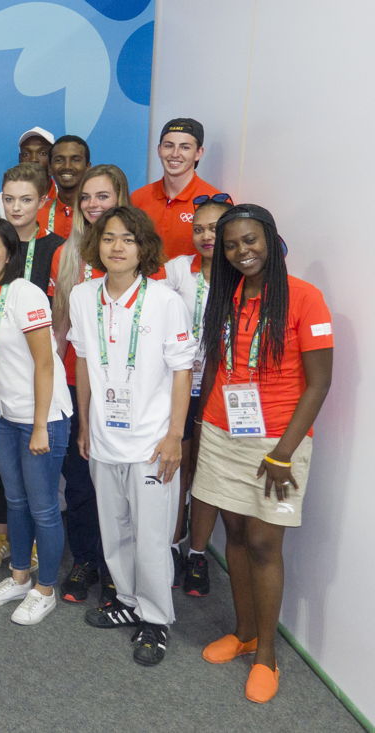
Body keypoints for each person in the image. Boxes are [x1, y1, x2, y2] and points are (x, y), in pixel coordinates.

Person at [191, 204, 332, 703]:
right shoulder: (224, 295)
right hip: (221, 430)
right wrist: (197, 427)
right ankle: (244, 632)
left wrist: (283, 453)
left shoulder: (304, 299)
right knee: (233, 535)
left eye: (250, 241)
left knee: (264, 544)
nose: (241, 251)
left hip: (278, 441)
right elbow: (215, 367)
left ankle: (267, 654)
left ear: (270, 240)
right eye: (231, 245)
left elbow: (319, 384)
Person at [68, 205, 195, 667]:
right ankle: (125, 599)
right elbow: (82, 361)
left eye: (127, 239)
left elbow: (182, 371)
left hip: (151, 442)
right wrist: (84, 423)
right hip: (103, 437)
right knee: (114, 528)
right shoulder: (84, 296)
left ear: (144, 248)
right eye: (108, 238)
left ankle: (156, 618)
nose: (116, 247)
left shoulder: (164, 301)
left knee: (151, 534)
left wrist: (174, 436)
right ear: (95, 245)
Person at [0, 217, 72, 624]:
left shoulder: (25, 294)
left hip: (41, 419)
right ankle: (20, 577)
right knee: (14, 502)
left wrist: (41, 424)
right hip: (6, 419)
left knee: (44, 507)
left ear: (9, 255)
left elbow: (45, 364)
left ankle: (45, 589)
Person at [51, 164, 132, 604]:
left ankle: (117, 570)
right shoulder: (66, 255)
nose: (93, 205)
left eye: (103, 196)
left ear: (121, 197)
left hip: (124, 393)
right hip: (74, 384)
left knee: (119, 487)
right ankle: (85, 559)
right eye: (86, 197)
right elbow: (60, 328)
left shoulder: (142, 257)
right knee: (80, 483)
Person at [165, 193, 233, 595]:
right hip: (179, 387)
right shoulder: (177, 270)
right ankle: (173, 545)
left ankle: (198, 553)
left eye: (215, 228)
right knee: (179, 469)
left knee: (205, 475)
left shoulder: (242, 276)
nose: (207, 236)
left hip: (222, 390)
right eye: (200, 228)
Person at [131, 118, 223, 259]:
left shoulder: (215, 202)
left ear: (198, 153)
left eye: (185, 147)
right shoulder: (138, 198)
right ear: (159, 150)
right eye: (168, 146)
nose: (175, 154)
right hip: (146, 280)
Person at [0, 163, 65, 296]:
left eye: (26, 200)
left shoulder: (58, 247)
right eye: (9, 199)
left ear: (41, 202)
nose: (16, 207)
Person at [0, 126, 55, 217]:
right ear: (20, 159)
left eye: (42, 153)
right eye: (26, 154)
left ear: (53, 159)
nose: (33, 159)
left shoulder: (65, 199)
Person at [39, 135, 90, 239]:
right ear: (49, 168)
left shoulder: (97, 213)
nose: (67, 166)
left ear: (88, 168)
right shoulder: (36, 214)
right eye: (59, 160)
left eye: (75, 160)